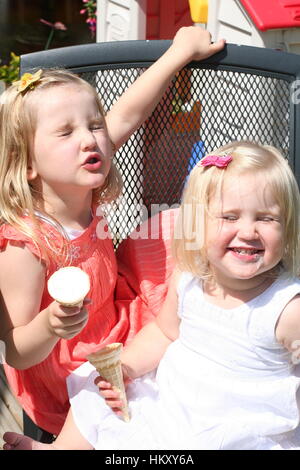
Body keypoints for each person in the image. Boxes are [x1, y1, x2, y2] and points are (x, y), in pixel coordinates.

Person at [0, 26, 226, 441]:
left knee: (178, 222)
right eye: (66, 132)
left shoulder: (82, 187)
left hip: (115, 318)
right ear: (28, 163)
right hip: (71, 368)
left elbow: (128, 114)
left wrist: (179, 53)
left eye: (94, 126)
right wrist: (51, 324)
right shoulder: (25, 246)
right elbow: (15, 349)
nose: (90, 138)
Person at [4, 140, 300, 450]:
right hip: (172, 406)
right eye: (229, 217)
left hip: (236, 432)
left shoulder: (284, 309)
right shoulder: (189, 280)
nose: (249, 231)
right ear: (197, 226)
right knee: (93, 388)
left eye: (267, 218)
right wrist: (126, 368)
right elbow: (163, 332)